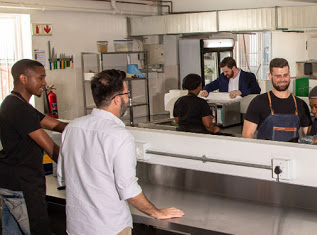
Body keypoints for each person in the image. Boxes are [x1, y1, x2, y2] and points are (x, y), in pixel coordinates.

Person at [57, 69, 184, 235]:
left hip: (77, 226)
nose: (128, 98)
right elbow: (127, 188)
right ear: (117, 100)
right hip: (109, 227)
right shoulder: (120, 136)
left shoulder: (72, 128)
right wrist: (156, 212)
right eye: (126, 94)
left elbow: (62, 174)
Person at [0, 59, 67, 235]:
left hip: (11, 184)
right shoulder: (18, 109)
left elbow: (56, 125)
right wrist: (80, 170)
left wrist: (88, 127)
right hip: (22, 186)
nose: (44, 83)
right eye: (41, 78)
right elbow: (50, 148)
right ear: (23, 78)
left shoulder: (16, 104)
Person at [243, 58, 312, 142]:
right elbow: (247, 135)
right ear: (270, 76)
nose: (282, 79)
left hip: (292, 153)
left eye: (285, 75)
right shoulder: (258, 102)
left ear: (289, 74)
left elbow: (309, 137)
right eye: (278, 76)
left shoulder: (300, 104)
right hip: (265, 153)